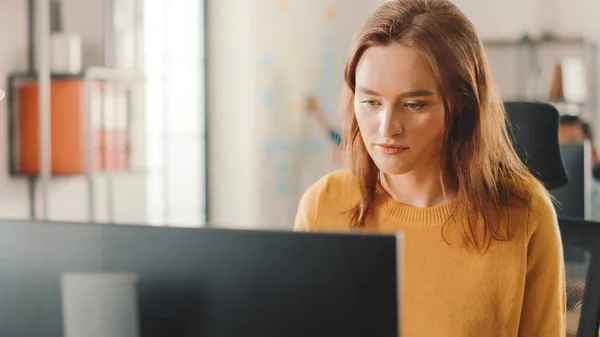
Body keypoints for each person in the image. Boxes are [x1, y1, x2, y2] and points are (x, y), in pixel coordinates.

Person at [294, 0, 565, 336]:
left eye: (414, 104)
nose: (387, 127)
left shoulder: (525, 214)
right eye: (370, 101)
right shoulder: (323, 205)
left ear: (461, 106)